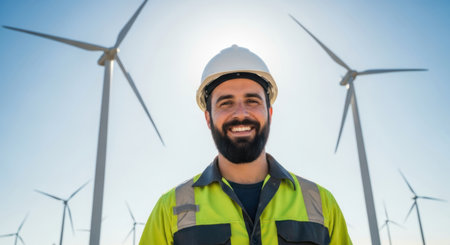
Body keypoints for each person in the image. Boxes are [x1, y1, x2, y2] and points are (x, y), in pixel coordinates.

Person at [139, 45, 352, 245]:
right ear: (208, 118)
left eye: (252, 101)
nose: (240, 114)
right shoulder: (170, 210)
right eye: (226, 103)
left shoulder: (322, 204)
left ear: (269, 113)